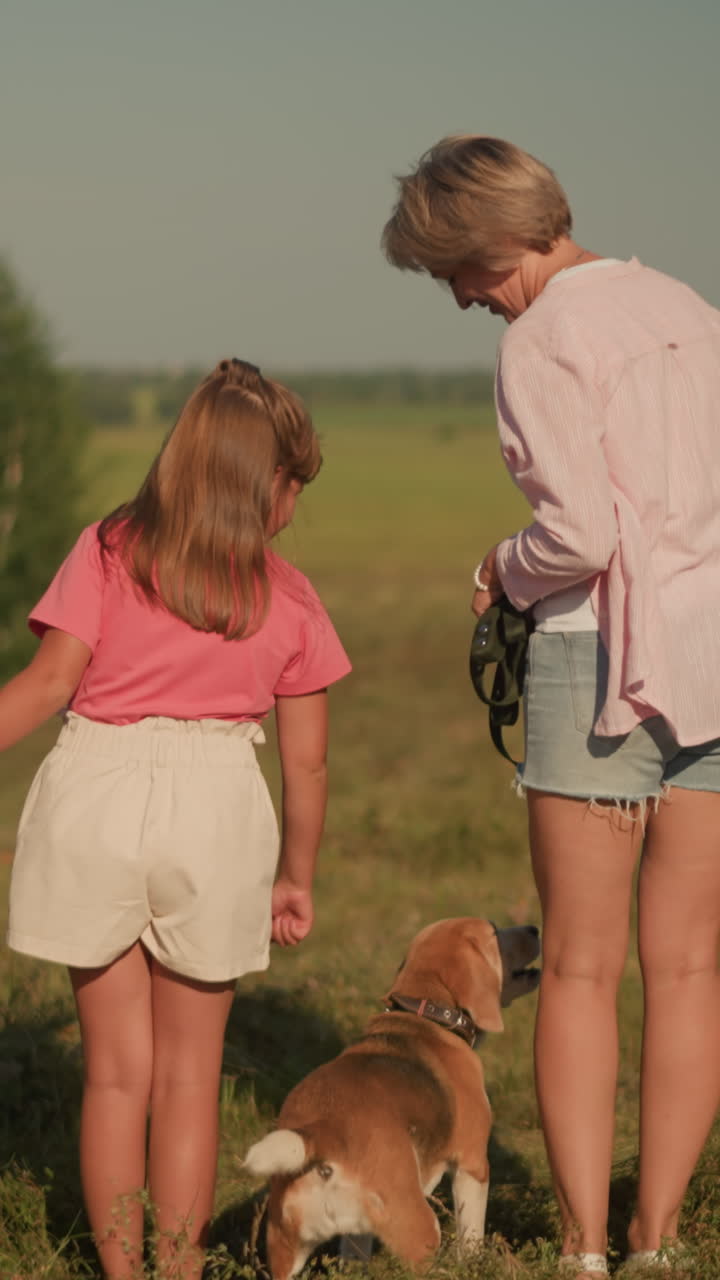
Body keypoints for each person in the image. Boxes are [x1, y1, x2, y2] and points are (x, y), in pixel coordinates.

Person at [382, 136, 720, 1279]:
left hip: (598, 656)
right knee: (689, 968)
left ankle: (580, 1245)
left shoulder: (541, 336)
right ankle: (657, 1236)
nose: (463, 296)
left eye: (453, 271)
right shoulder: (686, 303)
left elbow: (576, 532)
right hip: (717, 657)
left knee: (580, 965)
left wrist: (502, 569)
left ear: (485, 242)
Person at [5, 358, 351, 1280]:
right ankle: (180, 1273)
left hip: (95, 796)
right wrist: (297, 873)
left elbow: (46, 685)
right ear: (260, 482)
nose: (294, 506)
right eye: (293, 484)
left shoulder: (107, 551)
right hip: (216, 812)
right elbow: (306, 760)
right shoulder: (291, 596)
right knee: (191, 1080)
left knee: (117, 1072)